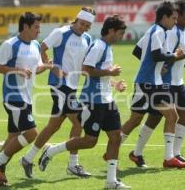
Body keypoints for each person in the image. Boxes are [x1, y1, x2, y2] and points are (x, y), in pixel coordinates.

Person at [37, 15, 131, 189]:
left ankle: (111, 182)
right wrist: (109, 73)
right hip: (93, 100)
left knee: (116, 137)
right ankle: (51, 151)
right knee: (89, 141)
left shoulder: (107, 47)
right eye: (120, 33)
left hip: (107, 99)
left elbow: (101, 71)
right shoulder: (98, 46)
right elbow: (86, 70)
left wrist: (114, 83)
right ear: (111, 31)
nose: (122, 36)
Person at [116, 0, 185, 169]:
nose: (176, 21)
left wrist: (173, 60)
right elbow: (153, 53)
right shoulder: (161, 31)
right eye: (175, 17)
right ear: (168, 17)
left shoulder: (164, 31)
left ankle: (126, 153)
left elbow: (152, 54)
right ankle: (169, 157)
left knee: (138, 119)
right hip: (156, 83)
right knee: (170, 116)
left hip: (153, 82)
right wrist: (173, 59)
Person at [20, 7, 95, 178]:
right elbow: (41, 47)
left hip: (72, 86)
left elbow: (87, 62)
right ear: (76, 20)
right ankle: (73, 165)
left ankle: (27, 158)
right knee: (78, 123)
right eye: (82, 23)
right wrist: (51, 66)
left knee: (53, 126)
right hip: (59, 85)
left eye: (87, 25)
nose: (84, 27)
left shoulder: (88, 38)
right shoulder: (61, 32)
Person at [0, 12, 54, 186]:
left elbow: (35, 69)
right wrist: (17, 71)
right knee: (31, 133)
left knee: (13, 136)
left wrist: (45, 67)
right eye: (36, 27)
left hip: (26, 97)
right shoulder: (10, 44)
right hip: (13, 95)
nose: (39, 31)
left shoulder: (35, 45)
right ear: (25, 27)